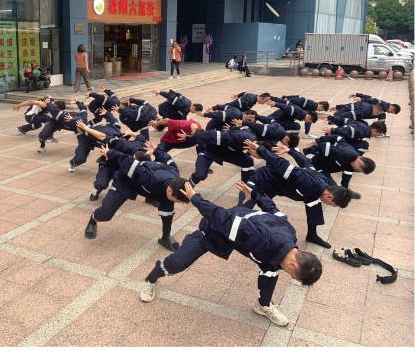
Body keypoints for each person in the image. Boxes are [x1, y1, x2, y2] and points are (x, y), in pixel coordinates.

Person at [139, 180, 322, 327]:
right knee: (178, 262)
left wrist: (255, 195)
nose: (290, 275)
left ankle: (263, 305)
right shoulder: (259, 238)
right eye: (292, 275)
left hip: (242, 228)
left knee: (271, 270)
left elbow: (273, 210)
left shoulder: (290, 234)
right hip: (214, 231)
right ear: (293, 264)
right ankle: (151, 279)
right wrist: (195, 198)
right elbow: (220, 216)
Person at [243, 140, 358, 248]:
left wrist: (290, 151)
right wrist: (260, 149)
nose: (328, 205)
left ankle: (312, 235)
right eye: (331, 204)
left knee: (314, 202)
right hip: (265, 179)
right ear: (329, 196)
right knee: (246, 204)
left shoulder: (322, 184)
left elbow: (307, 162)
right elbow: (280, 164)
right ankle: (238, 226)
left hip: (281, 186)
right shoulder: (307, 181)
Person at [85, 145, 184, 251]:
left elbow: (167, 158)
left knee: (168, 211)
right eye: (176, 200)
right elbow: (125, 159)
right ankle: (93, 220)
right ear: (170, 190)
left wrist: (156, 151)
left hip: (150, 187)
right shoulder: (145, 174)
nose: (176, 202)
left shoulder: (175, 175)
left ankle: (165, 237)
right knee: (106, 213)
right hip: (126, 182)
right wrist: (109, 153)